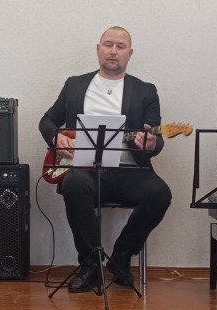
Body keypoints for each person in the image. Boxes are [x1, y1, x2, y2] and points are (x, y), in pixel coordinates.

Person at [38, 26, 171, 292]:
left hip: (130, 172)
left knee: (160, 194)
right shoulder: (75, 85)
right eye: (108, 44)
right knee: (74, 184)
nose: (113, 51)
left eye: (120, 46)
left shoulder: (146, 91)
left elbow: (154, 139)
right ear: (98, 49)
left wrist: (151, 143)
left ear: (130, 54)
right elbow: (47, 120)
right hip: (86, 171)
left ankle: (121, 255)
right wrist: (56, 138)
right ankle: (90, 265)